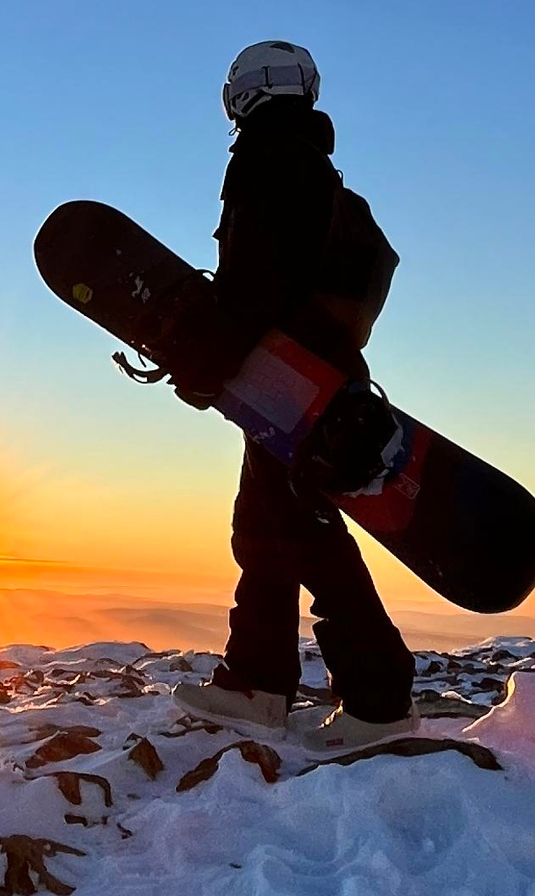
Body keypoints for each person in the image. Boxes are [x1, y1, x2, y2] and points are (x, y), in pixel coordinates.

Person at [176, 40, 417, 741]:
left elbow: (255, 286)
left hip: (289, 382)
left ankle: (379, 700)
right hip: (311, 378)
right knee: (264, 525)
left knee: (305, 531)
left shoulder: (268, 157)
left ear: (244, 92)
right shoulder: (314, 166)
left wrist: (206, 365)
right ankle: (259, 681)